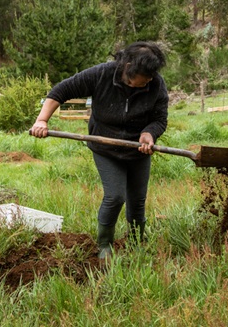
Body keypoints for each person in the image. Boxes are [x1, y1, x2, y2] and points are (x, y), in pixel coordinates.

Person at [30, 41, 169, 259]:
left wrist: (149, 133)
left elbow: (160, 119)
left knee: (137, 200)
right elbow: (61, 90)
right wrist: (41, 120)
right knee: (115, 196)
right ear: (129, 67)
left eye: (152, 76)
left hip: (138, 150)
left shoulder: (156, 84)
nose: (150, 80)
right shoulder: (102, 74)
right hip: (105, 146)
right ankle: (105, 244)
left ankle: (136, 242)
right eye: (145, 76)